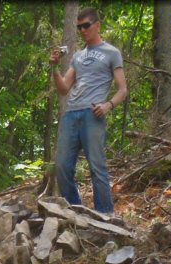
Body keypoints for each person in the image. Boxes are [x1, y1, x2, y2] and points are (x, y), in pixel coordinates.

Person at [49, 8, 128, 214]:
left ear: (97, 25)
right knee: (62, 168)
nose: (83, 30)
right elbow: (64, 88)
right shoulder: (77, 56)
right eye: (79, 27)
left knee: (97, 167)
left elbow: (123, 89)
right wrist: (54, 68)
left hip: (93, 114)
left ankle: (106, 216)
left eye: (86, 25)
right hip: (71, 114)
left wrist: (108, 105)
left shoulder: (111, 52)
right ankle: (77, 212)